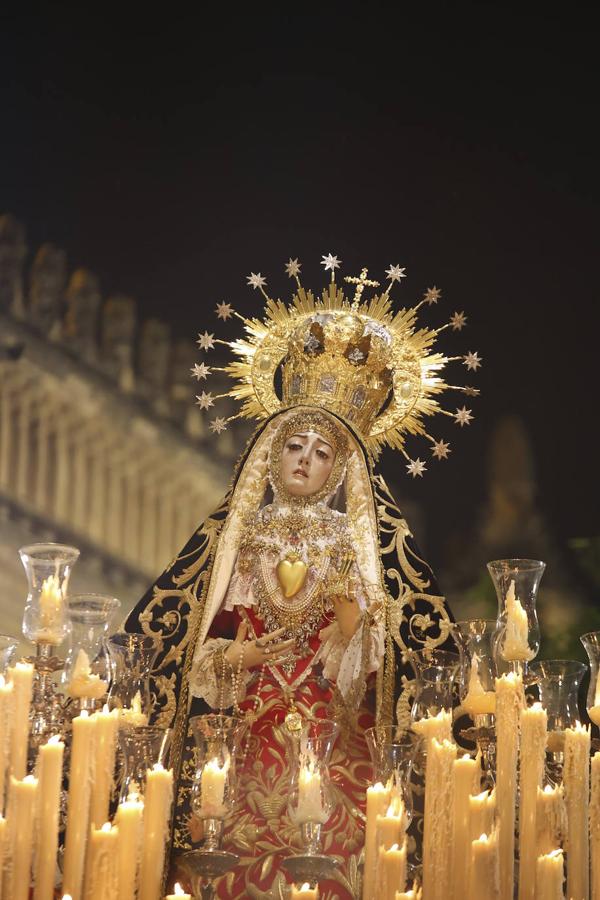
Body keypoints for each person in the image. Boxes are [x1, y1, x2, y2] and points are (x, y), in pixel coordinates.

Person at [125, 261, 478, 898]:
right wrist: (241, 656)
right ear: (272, 451)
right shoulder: (239, 537)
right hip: (241, 744)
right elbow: (192, 652)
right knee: (222, 857)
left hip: (330, 744)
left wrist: (350, 621)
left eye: (322, 454)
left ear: (340, 473)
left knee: (332, 861)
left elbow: (374, 672)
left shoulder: (357, 545)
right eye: (295, 446)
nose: (305, 461)